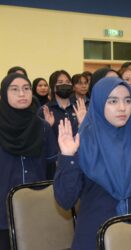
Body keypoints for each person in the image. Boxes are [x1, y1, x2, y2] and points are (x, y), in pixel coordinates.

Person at [54, 77, 131, 250]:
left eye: (127, 101)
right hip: (94, 238)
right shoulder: (82, 142)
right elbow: (65, 200)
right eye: (113, 101)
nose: (122, 108)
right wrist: (68, 157)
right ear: (99, 103)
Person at [0, 73, 57, 249]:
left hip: (36, 208)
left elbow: (51, 170)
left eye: (26, 89)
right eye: (14, 89)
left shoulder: (43, 127)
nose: (22, 94)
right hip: (2, 211)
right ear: (3, 94)